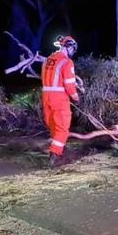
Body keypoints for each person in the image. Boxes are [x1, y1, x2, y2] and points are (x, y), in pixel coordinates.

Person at [41, 35, 79, 166]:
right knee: (62, 128)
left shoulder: (48, 60)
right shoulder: (67, 62)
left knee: (53, 125)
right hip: (59, 98)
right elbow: (69, 84)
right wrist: (75, 97)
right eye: (73, 50)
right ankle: (55, 155)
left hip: (46, 96)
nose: (73, 53)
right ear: (68, 47)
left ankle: (57, 149)